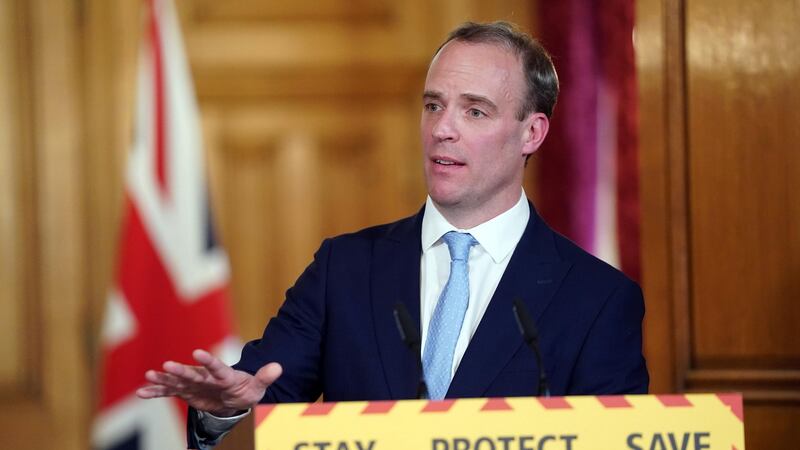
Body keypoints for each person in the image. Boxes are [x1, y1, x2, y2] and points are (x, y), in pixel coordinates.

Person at [137, 21, 649, 449]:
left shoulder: (598, 300)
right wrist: (225, 413)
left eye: (474, 110)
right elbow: (260, 395)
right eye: (432, 105)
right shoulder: (345, 269)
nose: (442, 128)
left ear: (531, 133)